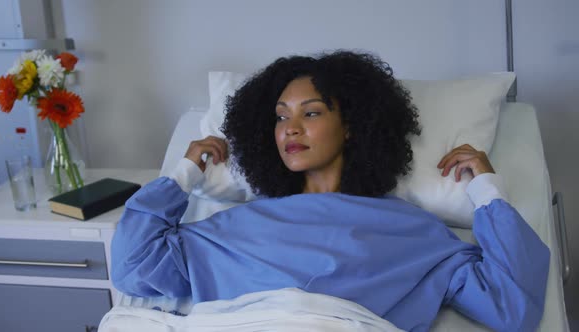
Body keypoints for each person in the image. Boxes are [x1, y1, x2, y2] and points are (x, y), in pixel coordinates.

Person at [111, 51, 550, 331]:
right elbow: (132, 266)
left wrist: (488, 190)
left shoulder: (414, 233)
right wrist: (184, 173)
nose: (291, 129)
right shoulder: (229, 226)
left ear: (353, 127)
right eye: (281, 117)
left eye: (312, 113)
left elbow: (512, 307)